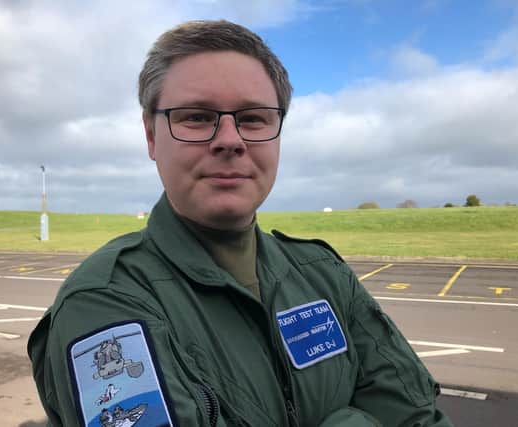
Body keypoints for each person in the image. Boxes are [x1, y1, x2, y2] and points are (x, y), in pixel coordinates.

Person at [28, 20, 453, 427]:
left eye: (253, 118)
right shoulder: (106, 302)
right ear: (151, 137)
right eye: (196, 116)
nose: (230, 140)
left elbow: (417, 413)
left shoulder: (323, 274)